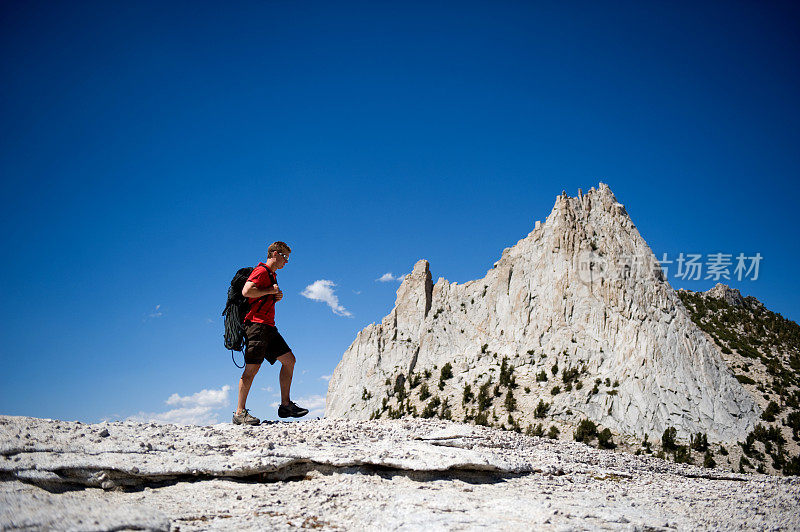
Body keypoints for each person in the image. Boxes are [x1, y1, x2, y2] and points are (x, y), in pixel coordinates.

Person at [232, 241, 309, 425]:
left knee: (289, 360)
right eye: (285, 257)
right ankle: (239, 413)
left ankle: (285, 405)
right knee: (252, 369)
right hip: (256, 327)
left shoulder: (272, 275)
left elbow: (259, 295)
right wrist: (269, 290)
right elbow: (247, 291)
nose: (286, 261)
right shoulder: (261, 271)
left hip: (268, 327)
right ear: (274, 254)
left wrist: (275, 296)